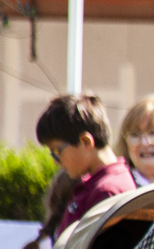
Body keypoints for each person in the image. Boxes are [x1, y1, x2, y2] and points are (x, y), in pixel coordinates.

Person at [36, 93, 136, 237]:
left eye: (57, 151)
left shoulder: (108, 191)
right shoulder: (94, 184)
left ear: (85, 142)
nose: (55, 161)